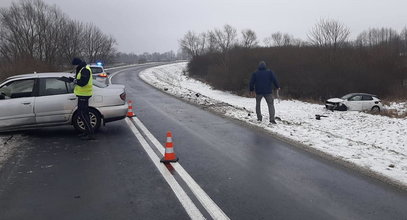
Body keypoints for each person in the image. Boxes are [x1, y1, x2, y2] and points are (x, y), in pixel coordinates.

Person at [71, 57, 95, 140]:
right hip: (82, 94)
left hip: (84, 95)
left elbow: (83, 82)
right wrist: (73, 80)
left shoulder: (85, 69)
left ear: (77, 64)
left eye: (74, 65)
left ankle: (90, 133)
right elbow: (80, 80)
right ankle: (87, 132)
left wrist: (75, 81)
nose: (74, 67)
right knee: (84, 114)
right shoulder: (82, 69)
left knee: (82, 114)